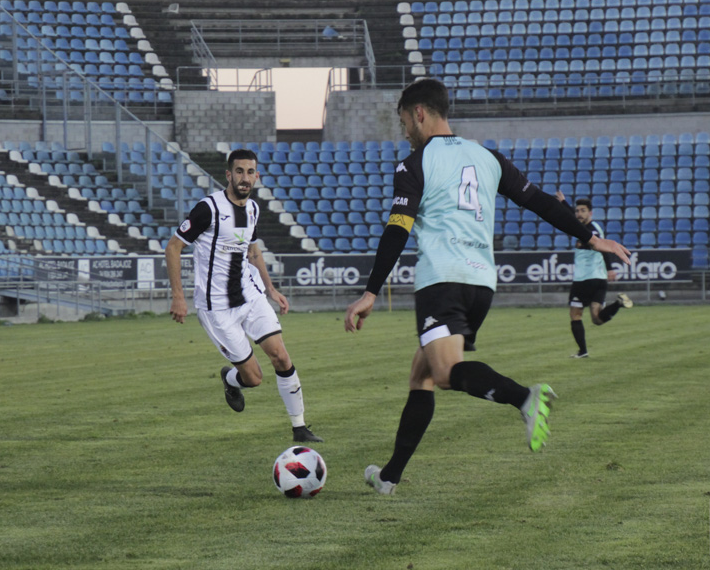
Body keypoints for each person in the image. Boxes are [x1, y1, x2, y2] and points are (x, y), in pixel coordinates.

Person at [344, 78, 630, 495]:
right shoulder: (488, 157)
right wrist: (590, 237)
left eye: (405, 122)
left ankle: (524, 398)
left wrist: (371, 291)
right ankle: (388, 477)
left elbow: (397, 228)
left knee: (443, 373)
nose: (405, 131)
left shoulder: (414, 164)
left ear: (419, 113)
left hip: (442, 279)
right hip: (481, 282)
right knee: (421, 372)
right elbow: (540, 202)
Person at [166, 149, 322, 443]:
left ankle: (299, 427)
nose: (245, 178)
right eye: (239, 171)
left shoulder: (253, 210)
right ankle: (229, 379)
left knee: (281, 355)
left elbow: (251, 250)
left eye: (250, 172)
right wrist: (178, 296)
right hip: (217, 308)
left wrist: (272, 289)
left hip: (250, 297)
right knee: (254, 378)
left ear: (256, 176)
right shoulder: (208, 209)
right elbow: (173, 247)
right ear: (228, 175)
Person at [555, 192, 633, 358]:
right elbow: (571, 219)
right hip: (591, 279)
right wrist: (563, 203)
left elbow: (603, 247)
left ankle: (583, 352)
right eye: (577, 211)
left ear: (590, 213)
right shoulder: (582, 228)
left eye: (583, 211)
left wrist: (610, 268)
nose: (579, 214)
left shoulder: (593, 230)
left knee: (575, 314)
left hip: (589, 279)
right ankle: (619, 303)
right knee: (597, 319)